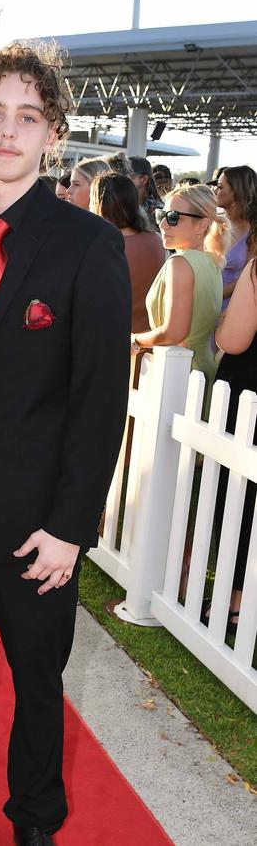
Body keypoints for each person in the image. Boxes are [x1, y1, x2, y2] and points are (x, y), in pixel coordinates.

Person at [0, 44, 129, 846]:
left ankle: (37, 816)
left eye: (27, 117)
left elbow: (102, 397)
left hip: (41, 519)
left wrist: (73, 524)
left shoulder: (87, 244)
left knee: (39, 679)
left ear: (53, 134)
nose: (7, 132)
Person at [132, 184, 229, 403]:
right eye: (162, 215)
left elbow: (174, 332)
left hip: (180, 373)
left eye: (174, 217)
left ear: (202, 225)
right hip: (202, 370)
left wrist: (135, 341)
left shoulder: (180, 263)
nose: (164, 224)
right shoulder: (212, 261)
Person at [212, 235, 257, 634]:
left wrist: (223, 322)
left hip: (250, 402)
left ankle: (237, 598)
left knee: (241, 502)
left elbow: (233, 339)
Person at [89, 172, 165, 332]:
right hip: (146, 339)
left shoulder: (106, 247)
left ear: (98, 203)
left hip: (114, 338)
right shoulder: (155, 240)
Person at [214, 165, 257, 310]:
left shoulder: (253, 230)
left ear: (236, 191)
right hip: (202, 304)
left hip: (229, 310)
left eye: (220, 187)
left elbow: (248, 278)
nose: (215, 190)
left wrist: (212, 295)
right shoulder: (211, 222)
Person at [129, 156, 163, 227]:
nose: (123, 180)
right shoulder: (121, 205)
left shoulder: (158, 211)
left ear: (144, 179)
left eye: (129, 176)